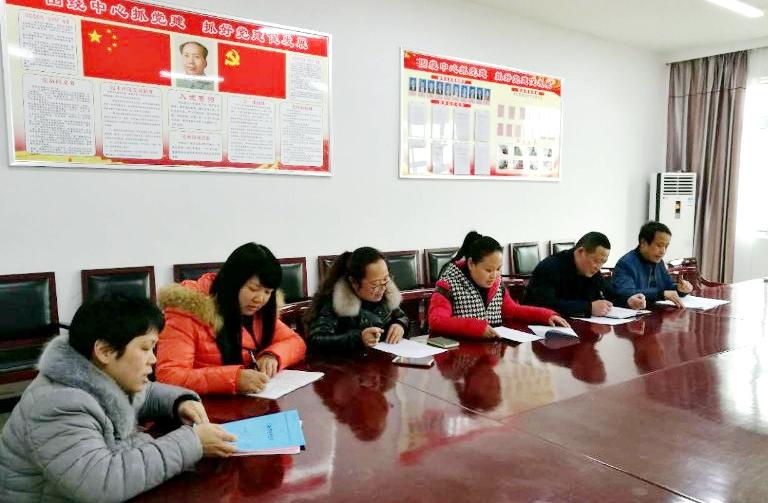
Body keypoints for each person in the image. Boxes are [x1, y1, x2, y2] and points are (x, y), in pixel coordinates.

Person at [0, 298, 236, 502]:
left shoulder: (98, 373)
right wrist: (192, 443)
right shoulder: (58, 404)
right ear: (105, 351)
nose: (153, 359)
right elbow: (100, 483)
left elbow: (145, 393)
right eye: (145, 348)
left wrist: (180, 402)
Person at [155, 243, 306, 395]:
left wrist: (272, 356)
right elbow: (168, 376)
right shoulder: (187, 310)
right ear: (233, 282)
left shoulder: (261, 311)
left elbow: (296, 342)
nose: (260, 299)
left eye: (268, 292)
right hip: (203, 405)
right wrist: (234, 379)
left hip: (253, 401)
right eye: (253, 289)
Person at [428, 231, 568, 338]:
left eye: (498, 269)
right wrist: (477, 328)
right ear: (471, 264)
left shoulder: (497, 284)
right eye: (488, 270)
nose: (494, 275)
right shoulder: (448, 285)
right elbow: (437, 321)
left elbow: (513, 310)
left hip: (490, 352)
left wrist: (546, 316)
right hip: (458, 356)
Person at [304, 247, 409, 353]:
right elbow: (316, 340)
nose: (382, 288)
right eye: (375, 284)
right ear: (354, 282)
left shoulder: (386, 294)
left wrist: (400, 325)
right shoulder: (334, 302)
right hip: (348, 361)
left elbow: (401, 317)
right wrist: (358, 339)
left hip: (383, 357)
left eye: (386, 279)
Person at [522, 231, 647, 317]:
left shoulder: (591, 270)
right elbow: (545, 304)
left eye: (602, 262)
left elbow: (607, 292)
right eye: (596, 261)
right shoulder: (550, 267)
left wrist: (628, 301)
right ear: (580, 252)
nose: (598, 267)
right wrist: (589, 308)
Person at [611, 221, 693, 308]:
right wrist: (660, 294)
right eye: (659, 245)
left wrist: (680, 289)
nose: (663, 251)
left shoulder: (659, 262)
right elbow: (625, 292)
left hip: (655, 311)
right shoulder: (626, 263)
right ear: (643, 243)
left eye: (666, 246)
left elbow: (668, 286)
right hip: (635, 313)